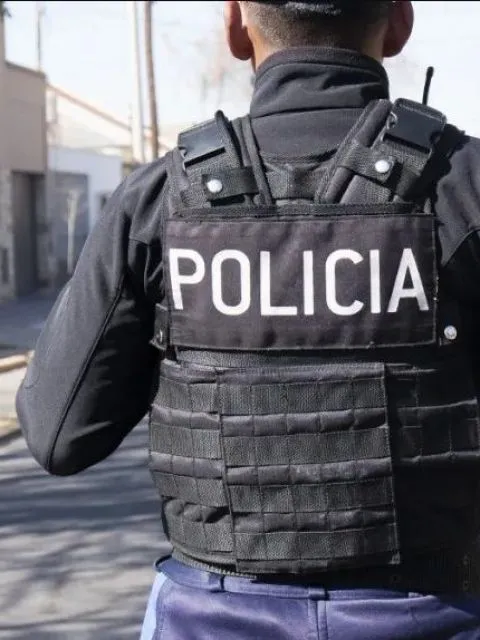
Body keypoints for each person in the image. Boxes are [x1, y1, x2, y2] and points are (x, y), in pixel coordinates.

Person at [16, 1, 480, 638]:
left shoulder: (159, 200)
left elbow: (57, 436)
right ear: (400, 23)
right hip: (439, 607)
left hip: (212, 615)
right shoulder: (467, 185)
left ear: (236, 27)